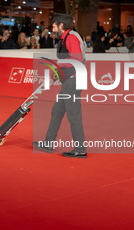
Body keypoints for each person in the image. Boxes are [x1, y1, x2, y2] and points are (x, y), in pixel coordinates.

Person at [32, 13, 87, 158]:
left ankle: (80, 149)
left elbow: (77, 58)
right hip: (69, 79)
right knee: (57, 111)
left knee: (73, 114)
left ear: (61, 25)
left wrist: (57, 68)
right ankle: (48, 143)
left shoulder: (72, 37)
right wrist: (53, 75)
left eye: (54, 26)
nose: (53, 29)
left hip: (73, 80)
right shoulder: (65, 38)